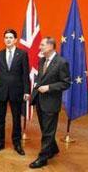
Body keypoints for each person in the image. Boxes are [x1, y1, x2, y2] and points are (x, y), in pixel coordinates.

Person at [29, 37, 71, 168]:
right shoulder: (42, 60)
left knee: (47, 131)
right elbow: (41, 79)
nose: (39, 47)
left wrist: (49, 88)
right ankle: (53, 149)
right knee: (46, 129)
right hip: (40, 101)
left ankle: (43, 158)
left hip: (51, 102)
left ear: (51, 46)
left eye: (42, 45)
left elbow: (66, 83)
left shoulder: (61, 62)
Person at [0, 29, 30, 155]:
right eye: (6, 37)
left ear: (15, 40)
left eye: (10, 37)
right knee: (0, 119)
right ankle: (0, 142)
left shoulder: (22, 54)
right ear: (4, 40)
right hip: (1, 91)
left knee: (16, 119)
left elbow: (25, 74)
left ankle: (17, 143)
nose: (8, 39)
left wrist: (26, 91)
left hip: (17, 91)